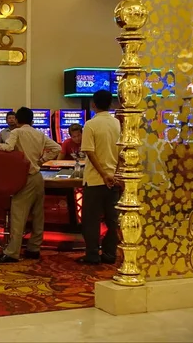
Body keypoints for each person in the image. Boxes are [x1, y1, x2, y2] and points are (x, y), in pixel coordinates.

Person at [0, 107, 61, 263]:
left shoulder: (17, 132)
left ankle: (12, 252)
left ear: (17, 120)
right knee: (38, 215)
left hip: (25, 177)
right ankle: (34, 248)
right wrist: (41, 161)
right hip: (37, 177)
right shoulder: (39, 134)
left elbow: (8, 148)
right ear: (31, 120)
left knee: (18, 215)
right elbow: (57, 148)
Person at [78, 89, 121, 265]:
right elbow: (123, 153)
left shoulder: (90, 124)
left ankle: (92, 255)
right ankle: (110, 254)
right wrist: (113, 174)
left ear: (93, 104)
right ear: (111, 104)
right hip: (115, 179)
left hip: (96, 180)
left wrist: (103, 174)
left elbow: (89, 151)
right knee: (113, 220)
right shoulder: (118, 124)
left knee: (91, 221)